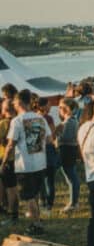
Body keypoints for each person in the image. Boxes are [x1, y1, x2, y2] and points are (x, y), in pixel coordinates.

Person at [3, 89, 49, 234]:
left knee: (28, 197)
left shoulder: (17, 121)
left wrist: (3, 162)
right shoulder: (40, 118)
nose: (14, 105)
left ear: (19, 102)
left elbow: (11, 144)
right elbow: (48, 139)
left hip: (25, 164)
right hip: (41, 162)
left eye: (15, 103)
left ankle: (36, 225)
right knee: (34, 194)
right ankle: (38, 220)